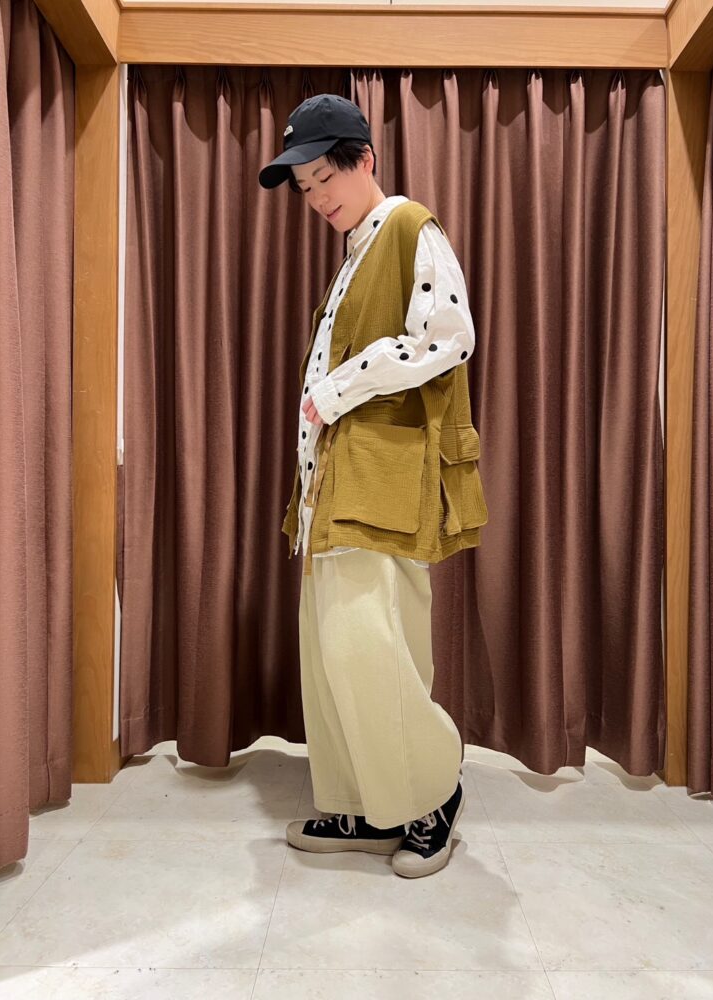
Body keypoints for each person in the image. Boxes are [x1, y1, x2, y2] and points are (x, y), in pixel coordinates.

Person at [259, 93, 488, 878]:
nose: (317, 197)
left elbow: (449, 337)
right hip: (337, 485)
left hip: (380, 483)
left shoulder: (408, 226)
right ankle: (365, 803)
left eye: (326, 177)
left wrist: (336, 389)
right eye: (305, 187)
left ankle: (430, 796)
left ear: (365, 159)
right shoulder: (358, 249)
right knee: (333, 654)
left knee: (369, 646)